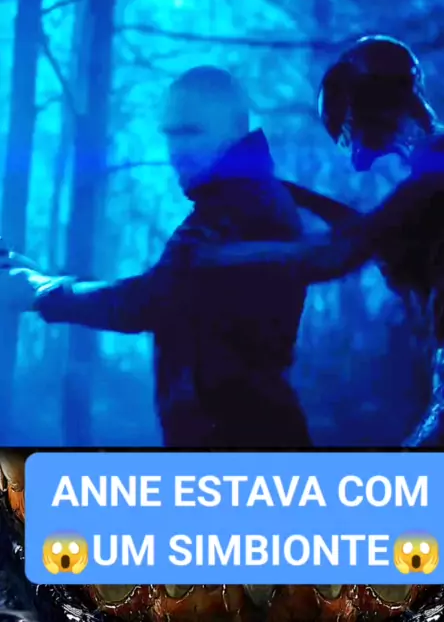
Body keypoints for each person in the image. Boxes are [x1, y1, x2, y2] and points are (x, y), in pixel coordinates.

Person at [184, 37, 444, 447]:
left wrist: (217, 256)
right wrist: (288, 193)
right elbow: (378, 233)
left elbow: (340, 252)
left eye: (349, 128)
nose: (356, 153)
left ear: (372, 106)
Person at [0, 66, 312, 448]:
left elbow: (151, 299)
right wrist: (43, 286)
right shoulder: (242, 203)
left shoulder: (241, 208)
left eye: (191, 132)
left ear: (233, 131)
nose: (176, 150)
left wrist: (42, 291)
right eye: (170, 134)